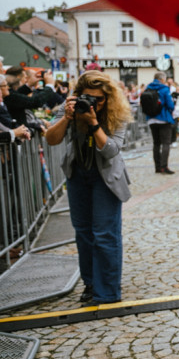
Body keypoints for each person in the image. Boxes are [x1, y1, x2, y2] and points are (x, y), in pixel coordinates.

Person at [45, 71, 133, 304]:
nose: (94, 103)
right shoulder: (72, 111)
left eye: (99, 99)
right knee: (83, 234)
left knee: (105, 234)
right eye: (88, 97)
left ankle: (108, 292)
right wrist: (66, 117)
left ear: (108, 98)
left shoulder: (117, 115)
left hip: (106, 178)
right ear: (78, 96)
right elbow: (51, 139)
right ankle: (91, 285)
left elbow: (111, 150)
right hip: (78, 175)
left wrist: (93, 122)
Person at [143, 72, 176, 175]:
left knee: (156, 143)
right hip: (164, 118)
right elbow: (170, 105)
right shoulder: (164, 88)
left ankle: (157, 167)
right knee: (166, 143)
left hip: (151, 119)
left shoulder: (148, 88)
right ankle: (164, 166)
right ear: (162, 79)